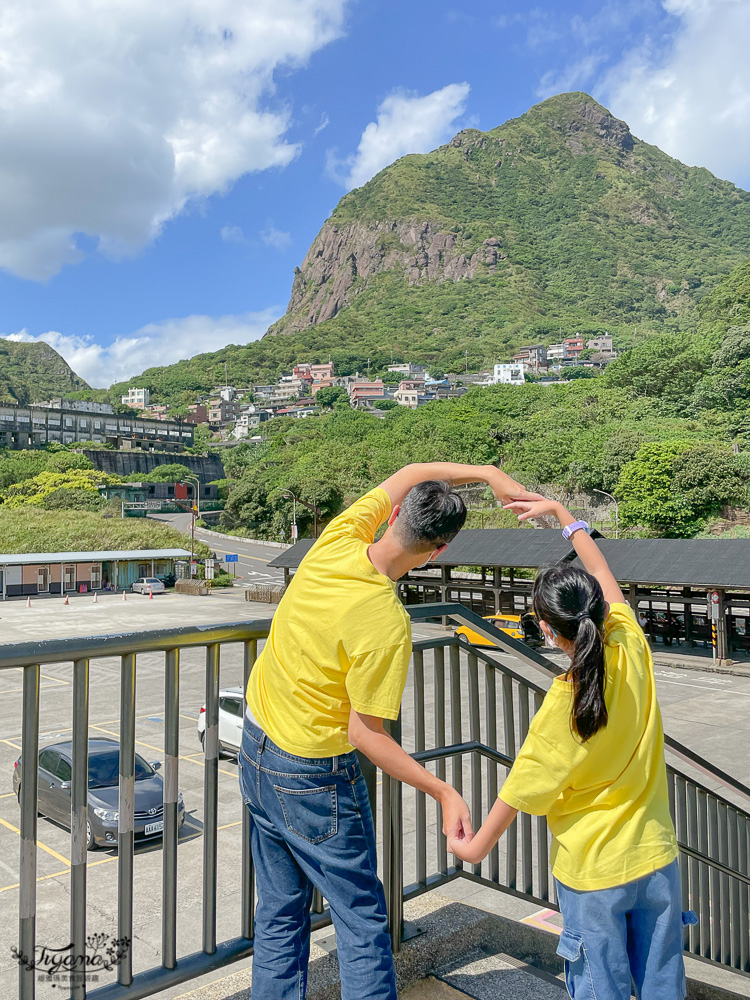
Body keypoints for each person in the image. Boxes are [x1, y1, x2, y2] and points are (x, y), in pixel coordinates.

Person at [238, 462, 531, 1000]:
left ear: (393, 515)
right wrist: (444, 792)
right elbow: (365, 733)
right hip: (311, 774)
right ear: (438, 551)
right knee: (362, 920)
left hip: (256, 746)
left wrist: (488, 474)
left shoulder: (336, 541)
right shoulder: (386, 622)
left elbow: (412, 470)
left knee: (281, 913)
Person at [448, 494, 695, 1000]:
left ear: (544, 628)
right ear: (602, 610)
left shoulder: (563, 707)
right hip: (656, 855)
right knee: (662, 982)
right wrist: (564, 517)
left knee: (599, 986)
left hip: (593, 872)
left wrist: (469, 846)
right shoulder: (631, 645)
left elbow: (519, 792)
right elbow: (602, 571)